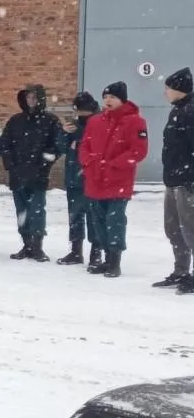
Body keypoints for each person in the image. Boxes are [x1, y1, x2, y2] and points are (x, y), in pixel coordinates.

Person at [78, 82, 148, 279]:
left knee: (115, 219)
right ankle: (107, 258)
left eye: (113, 97)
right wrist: (89, 162)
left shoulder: (135, 122)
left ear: (122, 100)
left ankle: (115, 260)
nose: (108, 101)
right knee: (98, 220)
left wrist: (113, 164)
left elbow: (138, 150)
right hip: (95, 178)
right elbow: (85, 146)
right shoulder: (95, 121)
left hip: (118, 179)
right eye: (106, 97)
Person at [0, 83, 65, 261]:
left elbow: (56, 147)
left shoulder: (50, 121)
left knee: (37, 210)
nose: (31, 101)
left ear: (41, 99)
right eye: (28, 97)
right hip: (18, 174)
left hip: (38, 175)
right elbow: (4, 144)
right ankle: (26, 243)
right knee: (22, 211)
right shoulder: (15, 121)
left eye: (34, 97)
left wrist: (43, 165)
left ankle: (37, 246)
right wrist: (10, 165)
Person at [158, 68, 194, 292]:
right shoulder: (177, 111)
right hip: (173, 180)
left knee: (190, 229)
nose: (166, 93)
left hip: (187, 181)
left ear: (179, 89)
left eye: (168, 88)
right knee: (174, 228)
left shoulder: (190, 112)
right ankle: (181, 270)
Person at [57, 93, 102, 267]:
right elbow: (61, 147)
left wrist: (78, 138)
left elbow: (96, 146)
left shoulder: (99, 122)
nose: (79, 114)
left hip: (91, 177)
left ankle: (96, 252)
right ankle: (76, 251)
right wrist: (64, 133)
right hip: (74, 176)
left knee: (93, 217)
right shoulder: (75, 125)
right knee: (75, 216)